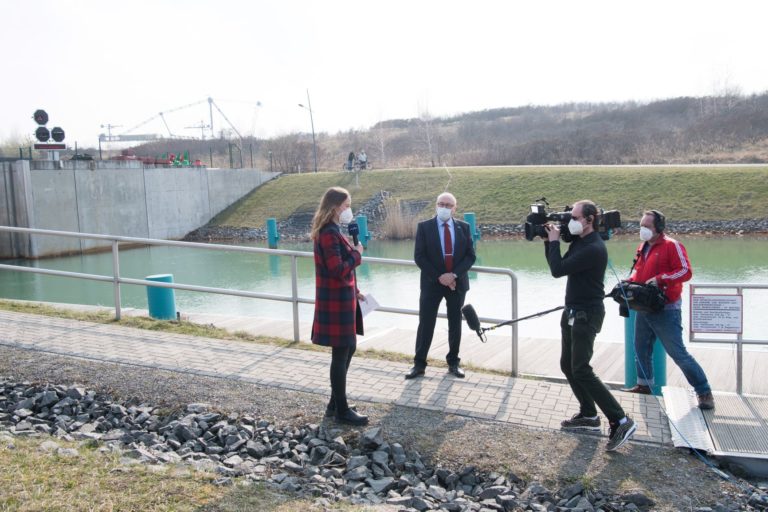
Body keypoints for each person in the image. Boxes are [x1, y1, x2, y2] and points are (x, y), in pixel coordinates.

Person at [544, 200, 636, 451]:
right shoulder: (579, 242)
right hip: (573, 311)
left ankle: (620, 419)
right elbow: (558, 264)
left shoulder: (594, 247)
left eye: (574, 217)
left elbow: (557, 269)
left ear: (589, 220)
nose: (569, 221)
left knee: (581, 368)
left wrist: (552, 241)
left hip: (587, 314)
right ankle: (589, 415)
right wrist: (548, 240)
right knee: (568, 365)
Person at [623, 210, 715, 409]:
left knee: (677, 352)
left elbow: (685, 271)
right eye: (641, 225)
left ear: (659, 228)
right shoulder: (642, 247)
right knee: (640, 347)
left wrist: (661, 279)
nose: (643, 229)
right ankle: (644, 385)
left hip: (666, 309)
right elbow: (639, 273)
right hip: (644, 306)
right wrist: (629, 282)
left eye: (647, 226)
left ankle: (704, 391)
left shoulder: (672, 246)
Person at [310, 186, 369, 426]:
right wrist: (357, 255)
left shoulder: (334, 231)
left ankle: (335, 404)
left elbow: (339, 269)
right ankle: (341, 410)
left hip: (343, 299)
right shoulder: (328, 233)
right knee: (341, 352)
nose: (348, 211)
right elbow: (336, 268)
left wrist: (355, 290)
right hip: (335, 302)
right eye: (346, 206)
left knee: (348, 348)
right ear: (335, 207)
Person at [406, 192, 476, 379]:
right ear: (436, 206)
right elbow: (419, 256)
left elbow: (470, 256)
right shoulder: (424, 227)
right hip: (432, 283)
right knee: (426, 323)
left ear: (455, 208)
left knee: (455, 323)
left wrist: (453, 275)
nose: (444, 207)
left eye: (448, 205)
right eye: (441, 204)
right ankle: (419, 364)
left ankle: (453, 362)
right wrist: (440, 277)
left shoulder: (464, 227)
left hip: (456, 283)